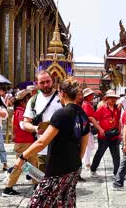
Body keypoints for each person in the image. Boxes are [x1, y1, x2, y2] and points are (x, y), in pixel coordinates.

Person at [15, 78, 90, 207]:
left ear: (62, 93)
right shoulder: (82, 115)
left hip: (58, 168)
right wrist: (75, 162)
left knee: (38, 204)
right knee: (65, 201)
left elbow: (42, 142)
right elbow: (83, 145)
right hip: (74, 167)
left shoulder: (61, 114)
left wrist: (23, 156)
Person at [22, 70, 62, 172]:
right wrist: (35, 128)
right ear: (37, 84)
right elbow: (26, 122)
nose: (45, 85)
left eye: (48, 81)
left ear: (52, 81)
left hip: (61, 147)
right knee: (43, 179)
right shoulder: (33, 100)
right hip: (42, 148)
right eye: (42, 83)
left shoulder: (62, 98)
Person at [3, 89, 37, 196]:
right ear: (23, 101)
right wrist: (36, 128)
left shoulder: (18, 111)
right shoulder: (21, 112)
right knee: (20, 166)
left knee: (32, 164)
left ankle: (38, 184)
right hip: (24, 142)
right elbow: (24, 126)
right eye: (28, 100)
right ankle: (8, 187)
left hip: (25, 142)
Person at [90, 90, 121, 178]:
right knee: (100, 153)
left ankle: (116, 173)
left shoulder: (116, 109)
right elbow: (94, 119)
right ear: (106, 99)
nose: (113, 100)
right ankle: (93, 169)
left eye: (114, 98)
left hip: (114, 135)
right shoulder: (102, 108)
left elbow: (118, 121)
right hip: (104, 136)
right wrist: (100, 129)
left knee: (116, 155)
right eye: (111, 98)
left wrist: (120, 134)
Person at [81, 88, 98, 169]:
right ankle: (87, 163)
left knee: (89, 145)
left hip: (88, 127)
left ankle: (86, 162)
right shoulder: (86, 105)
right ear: (86, 96)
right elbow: (88, 117)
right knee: (88, 146)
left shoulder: (87, 104)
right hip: (87, 127)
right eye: (90, 95)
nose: (92, 96)